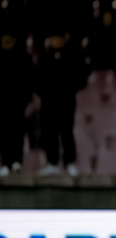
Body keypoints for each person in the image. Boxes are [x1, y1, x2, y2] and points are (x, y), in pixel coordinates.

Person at [35, 24, 88, 176]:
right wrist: (44, 93)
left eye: (58, 38)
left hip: (66, 102)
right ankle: (52, 163)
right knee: (49, 132)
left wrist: (69, 90)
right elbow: (37, 80)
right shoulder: (44, 58)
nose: (55, 41)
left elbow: (81, 78)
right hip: (48, 103)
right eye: (53, 38)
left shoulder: (72, 57)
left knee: (66, 132)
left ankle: (70, 162)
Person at [0, 23, 34, 176]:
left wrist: (24, 99)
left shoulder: (23, 58)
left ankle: (16, 162)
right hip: (2, 104)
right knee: (4, 134)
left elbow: (29, 81)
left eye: (8, 40)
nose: (5, 43)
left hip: (18, 103)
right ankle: (6, 163)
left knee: (17, 133)